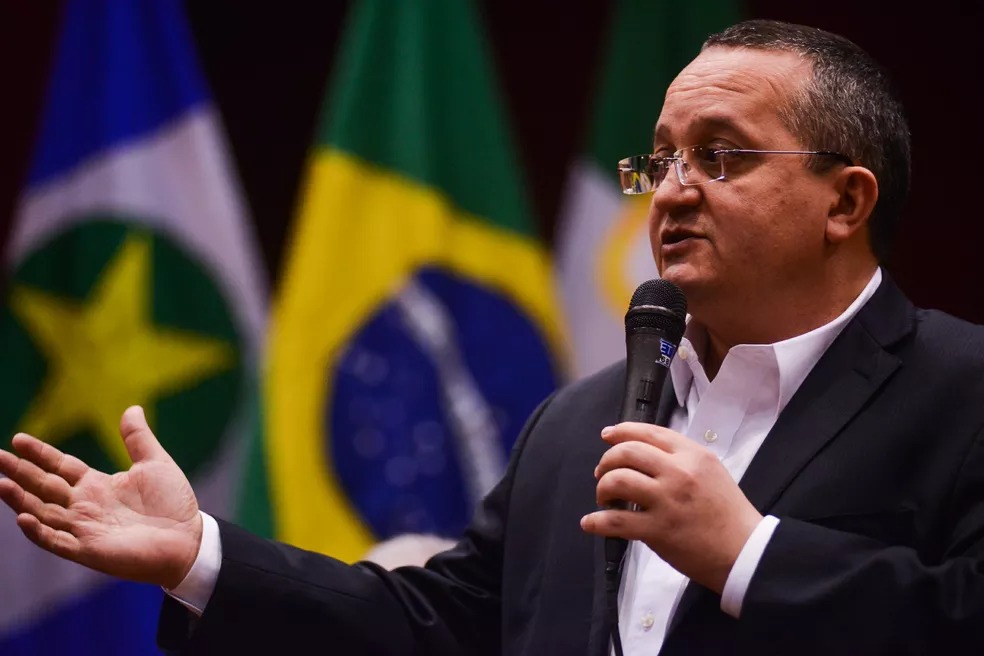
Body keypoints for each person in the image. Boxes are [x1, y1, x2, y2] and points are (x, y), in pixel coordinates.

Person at [2, 18, 984, 655]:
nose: (672, 191)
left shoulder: (962, 392)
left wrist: (750, 554)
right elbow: (433, 625)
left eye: (720, 156)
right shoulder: (578, 422)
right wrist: (197, 553)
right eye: (660, 161)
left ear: (845, 201)